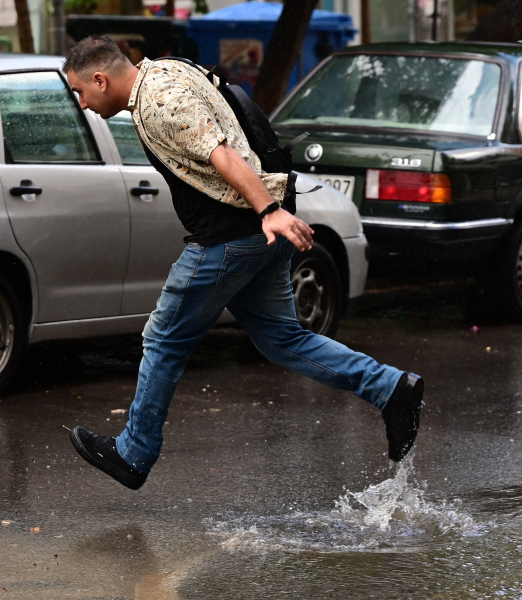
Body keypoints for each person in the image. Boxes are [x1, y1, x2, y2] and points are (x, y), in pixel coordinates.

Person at [63, 36, 423, 490]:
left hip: (231, 237)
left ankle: (134, 454)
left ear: (101, 79)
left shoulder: (160, 101)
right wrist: (271, 212)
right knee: (281, 338)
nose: (82, 103)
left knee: (164, 338)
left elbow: (222, 152)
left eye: (80, 91)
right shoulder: (168, 70)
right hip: (258, 231)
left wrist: (269, 212)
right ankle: (391, 389)